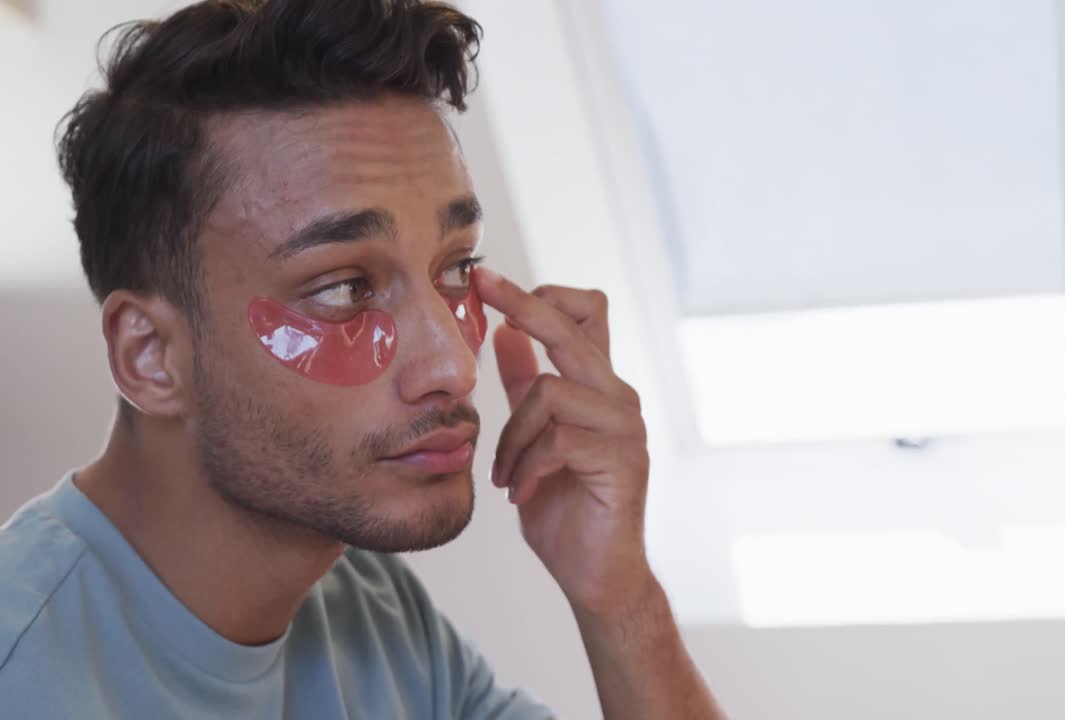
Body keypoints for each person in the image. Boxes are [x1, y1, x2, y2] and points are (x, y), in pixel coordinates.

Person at [0, 1, 725, 718]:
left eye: (454, 268)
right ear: (151, 356)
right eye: (346, 287)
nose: (454, 367)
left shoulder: (377, 617)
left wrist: (620, 597)